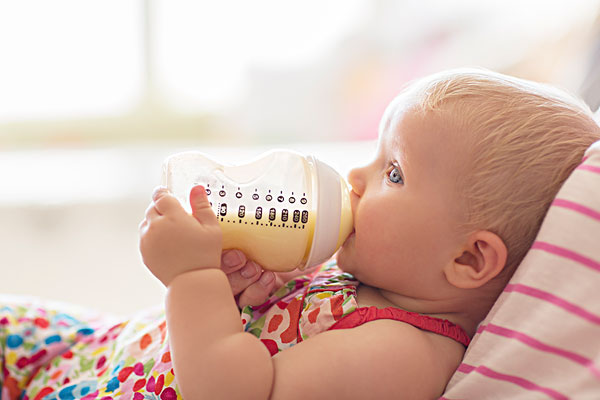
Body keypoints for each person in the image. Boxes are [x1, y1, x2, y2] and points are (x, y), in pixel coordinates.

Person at [2, 68, 599, 400]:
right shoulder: (366, 280)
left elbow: (233, 391)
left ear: (469, 258)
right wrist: (248, 291)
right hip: (93, 350)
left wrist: (192, 278)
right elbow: (269, 333)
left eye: (394, 172)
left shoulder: (405, 353)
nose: (358, 178)